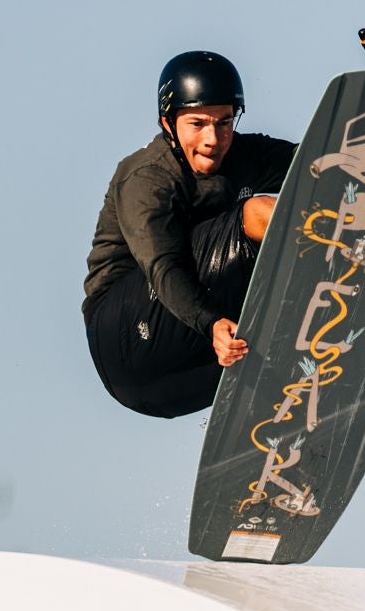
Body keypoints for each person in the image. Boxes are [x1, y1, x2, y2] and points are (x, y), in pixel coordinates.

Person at [83, 51, 296, 418]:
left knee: (280, 326)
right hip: (125, 339)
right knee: (257, 215)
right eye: (197, 124)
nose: (213, 139)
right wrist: (211, 322)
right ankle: (349, 248)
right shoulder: (148, 178)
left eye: (225, 122)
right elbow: (164, 267)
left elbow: (318, 163)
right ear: (169, 123)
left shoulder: (244, 153)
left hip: (170, 385)